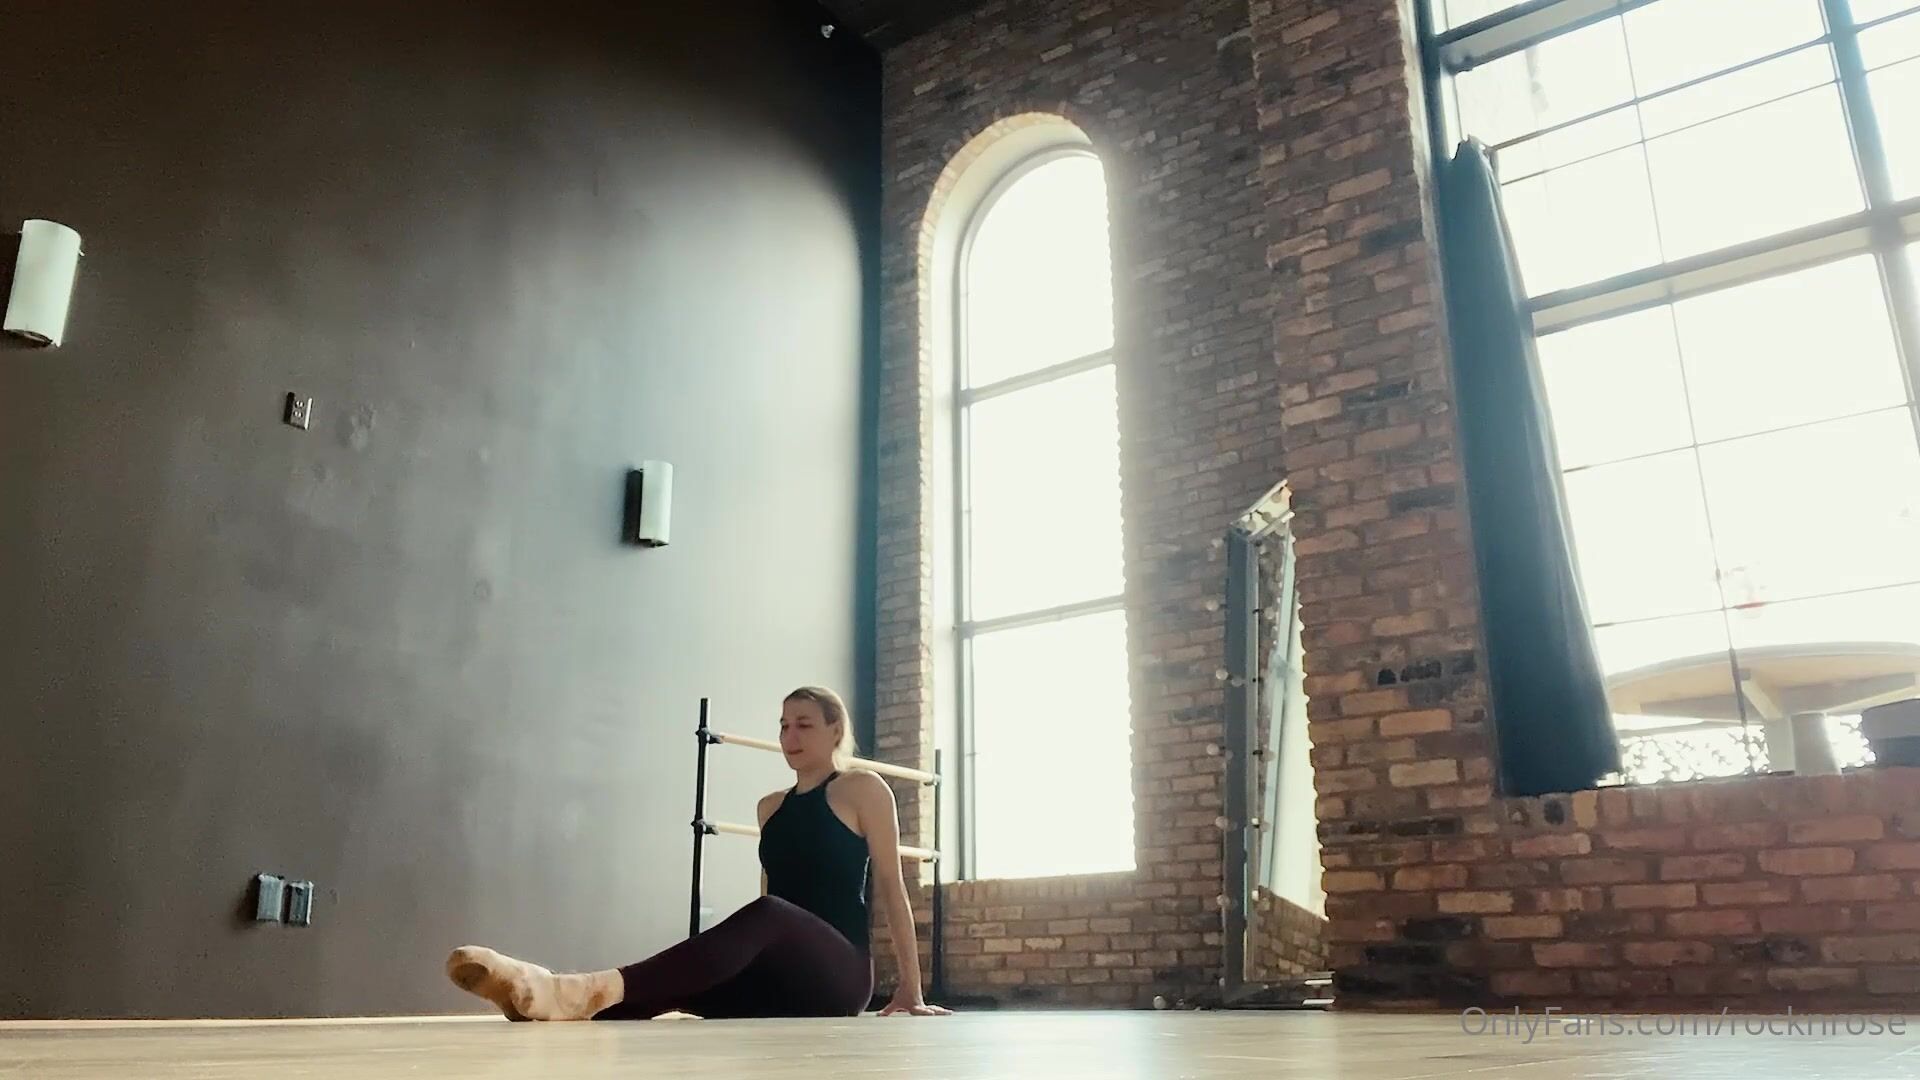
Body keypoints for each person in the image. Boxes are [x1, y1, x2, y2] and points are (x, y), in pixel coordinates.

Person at [445, 686, 953, 1021]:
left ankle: (566, 989)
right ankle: (540, 997)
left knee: (769, 913)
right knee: (669, 991)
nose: (789, 736)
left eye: (804, 724)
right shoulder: (770, 808)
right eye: (783, 725)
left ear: (835, 730)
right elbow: (772, 899)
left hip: (838, 977)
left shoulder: (862, 789)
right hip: (781, 978)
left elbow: (892, 887)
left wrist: (911, 989)